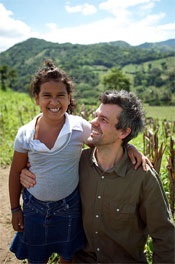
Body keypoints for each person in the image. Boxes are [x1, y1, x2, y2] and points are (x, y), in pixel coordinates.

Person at [9, 60, 149, 264]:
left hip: (69, 207)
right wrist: (15, 209)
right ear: (37, 98)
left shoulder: (78, 127)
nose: (54, 102)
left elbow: (105, 142)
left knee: (68, 254)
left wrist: (129, 147)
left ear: (69, 98)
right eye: (47, 95)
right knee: (36, 256)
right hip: (34, 208)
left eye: (61, 95)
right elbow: (15, 172)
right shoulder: (25, 134)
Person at [21, 90, 175, 263]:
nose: (93, 123)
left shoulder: (143, 177)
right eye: (96, 116)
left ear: (124, 132)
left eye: (103, 120)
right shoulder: (76, 162)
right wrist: (26, 174)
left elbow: (165, 237)